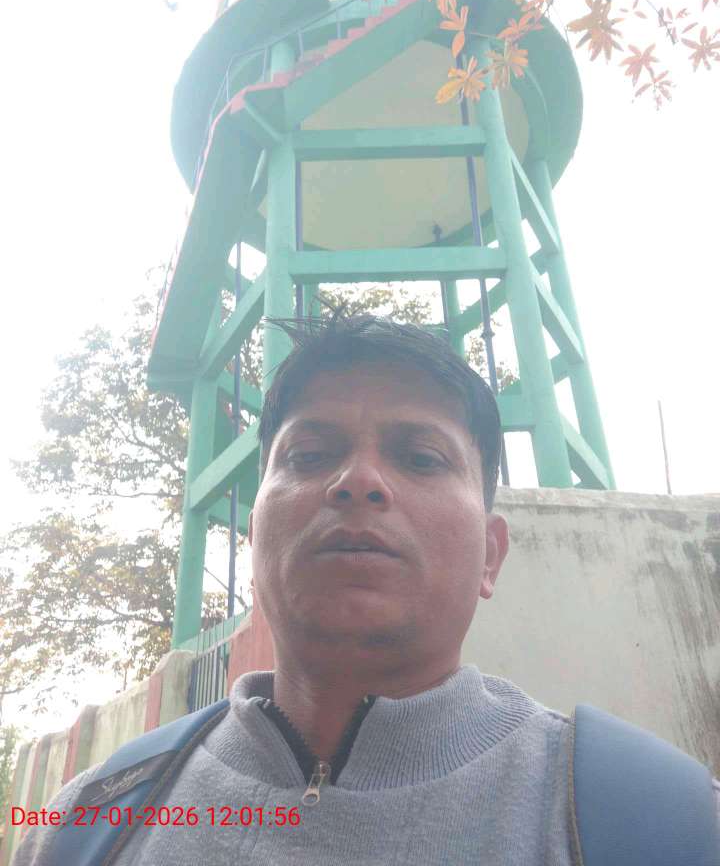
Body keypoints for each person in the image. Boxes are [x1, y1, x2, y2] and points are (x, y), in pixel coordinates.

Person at [12, 304, 720, 865]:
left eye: (421, 457)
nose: (358, 481)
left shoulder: (666, 823)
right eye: (310, 454)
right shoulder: (89, 824)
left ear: (491, 555)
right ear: (254, 538)